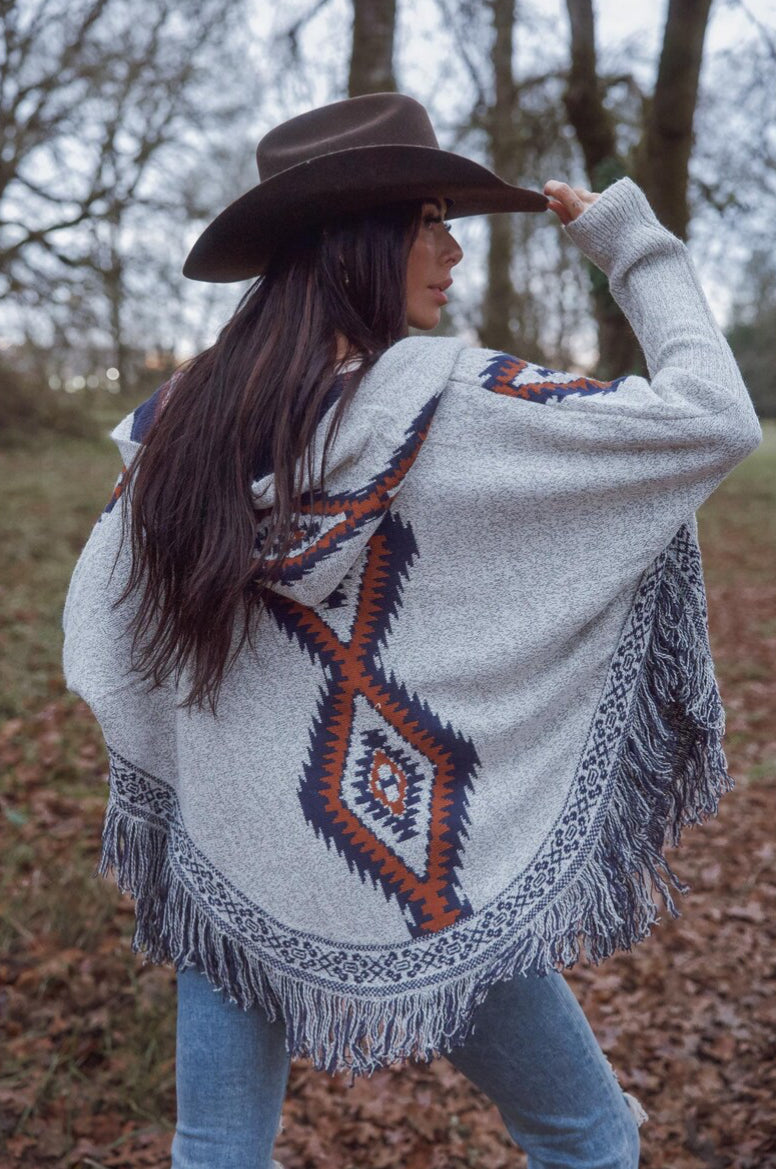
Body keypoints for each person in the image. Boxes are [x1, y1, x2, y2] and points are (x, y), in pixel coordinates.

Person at [62, 93, 761, 1169]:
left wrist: (202, 769)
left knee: (216, 1150)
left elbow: (110, 635)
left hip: (228, 845)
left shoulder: (179, 425)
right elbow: (712, 418)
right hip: (402, 859)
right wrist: (631, 245)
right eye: (427, 220)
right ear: (356, 238)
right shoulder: (451, 401)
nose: (448, 249)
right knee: (588, 1135)